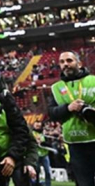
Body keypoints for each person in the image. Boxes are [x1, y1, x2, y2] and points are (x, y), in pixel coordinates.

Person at [47, 51, 95, 186]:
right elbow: (51, 113)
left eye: (69, 60)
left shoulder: (93, 81)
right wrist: (68, 108)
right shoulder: (56, 88)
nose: (65, 64)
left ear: (79, 63)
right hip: (75, 145)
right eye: (62, 62)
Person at [30, 121, 52, 186]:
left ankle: (48, 184)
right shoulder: (31, 133)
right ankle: (36, 183)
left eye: (39, 126)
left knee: (47, 171)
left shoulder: (44, 134)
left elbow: (49, 144)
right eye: (36, 126)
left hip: (45, 154)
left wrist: (42, 143)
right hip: (36, 154)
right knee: (37, 170)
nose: (37, 127)